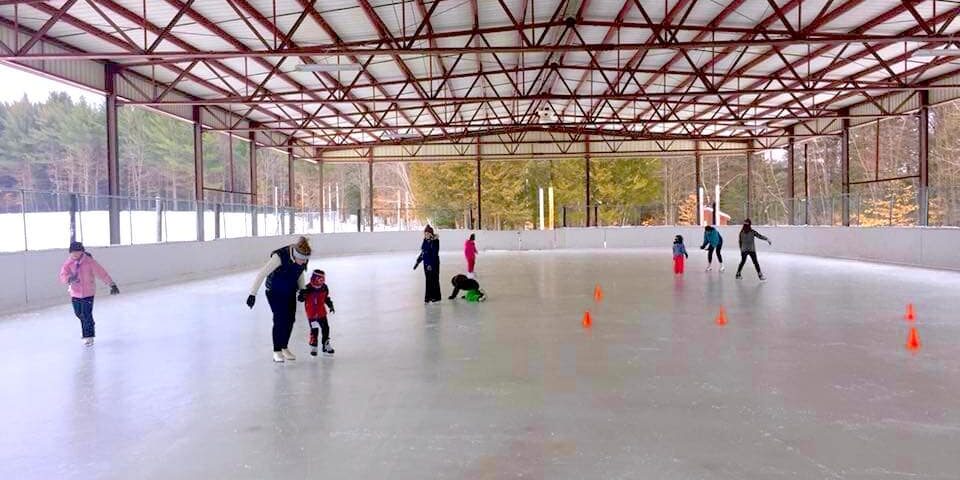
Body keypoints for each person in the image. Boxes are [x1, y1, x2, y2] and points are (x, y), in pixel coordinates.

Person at [247, 236, 312, 363]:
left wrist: (302, 289)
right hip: (274, 292)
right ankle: (276, 351)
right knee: (280, 319)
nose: (304, 262)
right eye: (302, 260)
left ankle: (284, 347)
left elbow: (299, 273)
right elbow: (262, 274)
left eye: (306, 260)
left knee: (290, 320)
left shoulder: (301, 260)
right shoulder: (279, 256)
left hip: (289, 291)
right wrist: (252, 294)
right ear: (295, 255)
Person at [58, 241, 119, 346]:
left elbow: (101, 273)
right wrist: (69, 279)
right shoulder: (68, 263)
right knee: (79, 313)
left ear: (82, 251)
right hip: (75, 293)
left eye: (77, 252)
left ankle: (88, 336)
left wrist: (111, 284)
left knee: (86, 314)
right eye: (73, 252)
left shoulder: (89, 262)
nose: (75, 254)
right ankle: (89, 323)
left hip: (88, 293)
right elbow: (63, 275)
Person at [299, 270, 335, 357]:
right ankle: (314, 346)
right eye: (319, 279)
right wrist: (302, 294)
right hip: (311, 314)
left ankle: (325, 344)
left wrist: (330, 305)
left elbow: (326, 298)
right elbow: (300, 299)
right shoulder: (307, 288)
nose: (321, 281)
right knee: (314, 330)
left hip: (322, 313)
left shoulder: (324, 288)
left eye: (322, 279)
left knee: (325, 328)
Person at [414, 225, 442, 303]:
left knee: (434, 280)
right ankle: (428, 297)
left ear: (431, 233)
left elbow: (434, 254)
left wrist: (430, 264)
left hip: (434, 264)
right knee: (428, 280)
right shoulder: (425, 241)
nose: (426, 235)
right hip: (426, 264)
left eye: (427, 233)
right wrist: (418, 261)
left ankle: (436, 297)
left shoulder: (435, 241)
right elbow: (423, 252)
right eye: (425, 233)